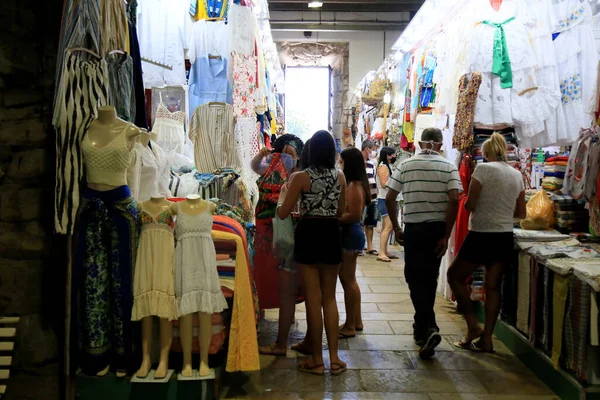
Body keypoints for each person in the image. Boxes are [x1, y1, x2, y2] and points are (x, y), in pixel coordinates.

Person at [385, 127, 461, 359]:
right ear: (439, 145)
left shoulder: (406, 165)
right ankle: (424, 327)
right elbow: (455, 198)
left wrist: (397, 227)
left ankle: (428, 327)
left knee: (414, 277)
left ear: (419, 143)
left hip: (415, 229)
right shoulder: (449, 167)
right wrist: (446, 235)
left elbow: (389, 197)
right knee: (428, 277)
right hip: (437, 229)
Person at [448, 133, 526, 353]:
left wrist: (469, 205)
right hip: (503, 236)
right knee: (493, 287)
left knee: (454, 276)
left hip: (481, 233)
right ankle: (487, 339)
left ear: (487, 153)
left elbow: (471, 204)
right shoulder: (516, 174)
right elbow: (521, 212)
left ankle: (472, 326)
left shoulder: (483, 169)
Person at [277, 130, 347, 375]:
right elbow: (341, 211)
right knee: (329, 298)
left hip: (308, 235)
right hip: (331, 235)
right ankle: (335, 359)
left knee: (313, 299)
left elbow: (283, 213)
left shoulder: (300, 177)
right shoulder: (340, 177)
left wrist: (284, 196)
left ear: (309, 151)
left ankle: (317, 359)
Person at [252, 134, 304, 356]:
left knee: (284, 271)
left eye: (290, 154)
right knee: (265, 269)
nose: (285, 157)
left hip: (284, 227)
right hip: (265, 225)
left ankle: (288, 310)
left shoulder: (298, 175)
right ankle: (263, 307)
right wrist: (261, 155)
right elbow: (255, 167)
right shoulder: (270, 167)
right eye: (282, 152)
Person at [338, 147, 370, 339]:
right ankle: (355, 321)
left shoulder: (354, 186)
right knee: (350, 280)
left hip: (350, 234)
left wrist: (334, 218)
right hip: (352, 234)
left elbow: (354, 214)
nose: (339, 164)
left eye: (342, 161)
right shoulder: (356, 184)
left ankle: (350, 325)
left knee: (347, 280)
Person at [375, 146, 399, 262]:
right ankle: (381, 253)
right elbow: (384, 184)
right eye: (393, 154)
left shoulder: (386, 166)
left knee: (387, 227)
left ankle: (384, 250)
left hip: (387, 199)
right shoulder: (383, 167)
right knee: (388, 226)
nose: (394, 156)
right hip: (385, 200)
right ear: (388, 155)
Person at [361, 140, 379, 256]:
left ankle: (370, 246)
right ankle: (361, 245)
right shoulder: (358, 163)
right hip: (362, 196)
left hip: (372, 197)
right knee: (361, 221)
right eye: (372, 149)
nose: (374, 152)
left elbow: (372, 177)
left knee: (371, 222)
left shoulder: (371, 163)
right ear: (367, 149)